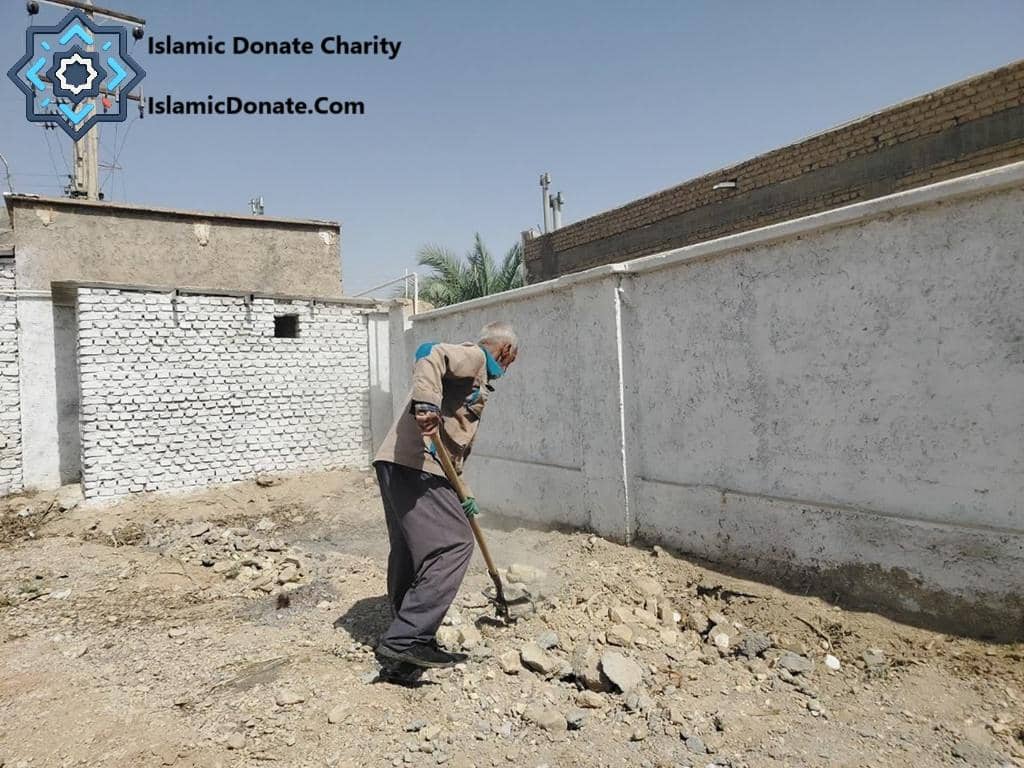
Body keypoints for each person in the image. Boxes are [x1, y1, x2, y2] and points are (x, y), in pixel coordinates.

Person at [371, 321, 518, 668]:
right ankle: (407, 638)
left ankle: (403, 646)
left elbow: (452, 448)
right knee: (454, 545)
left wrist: (462, 492)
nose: (508, 368)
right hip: (416, 464)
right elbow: (432, 354)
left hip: (396, 462)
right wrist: (426, 405)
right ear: (507, 351)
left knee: (410, 550)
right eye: (512, 360)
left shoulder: (472, 379)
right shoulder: (477, 358)